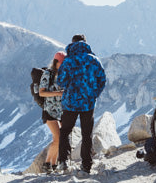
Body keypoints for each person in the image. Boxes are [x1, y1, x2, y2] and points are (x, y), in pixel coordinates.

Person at [56, 34, 106, 175]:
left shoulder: (68, 61)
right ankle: (86, 165)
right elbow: (102, 79)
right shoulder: (94, 60)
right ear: (85, 43)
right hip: (88, 103)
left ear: (72, 43)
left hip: (70, 102)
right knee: (86, 133)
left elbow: (60, 81)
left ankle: (63, 162)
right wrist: (94, 93)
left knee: (65, 131)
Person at [38, 51, 66, 174]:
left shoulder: (64, 74)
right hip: (49, 111)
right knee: (58, 137)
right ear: (56, 62)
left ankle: (53, 164)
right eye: (62, 63)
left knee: (60, 139)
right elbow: (41, 92)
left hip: (62, 111)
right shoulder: (47, 74)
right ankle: (48, 163)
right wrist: (57, 93)